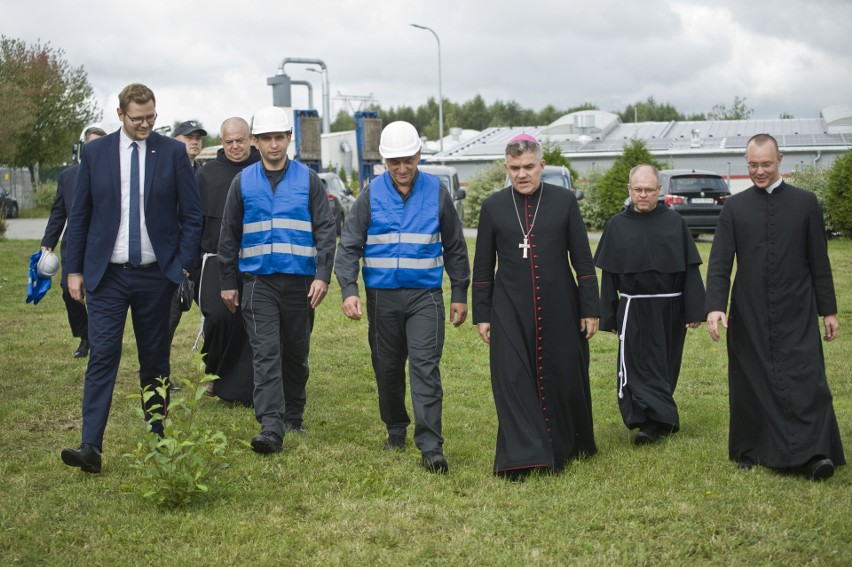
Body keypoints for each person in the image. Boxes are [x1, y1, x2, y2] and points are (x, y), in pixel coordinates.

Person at [60, 83, 202, 473]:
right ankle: (90, 446)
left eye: (151, 118)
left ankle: (159, 439)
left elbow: (192, 215)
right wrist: (74, 269)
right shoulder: (96, 153)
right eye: (138, 119)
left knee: (154, 360)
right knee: (103, 355)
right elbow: (81, 216)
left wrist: (184, 266)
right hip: (107, 276)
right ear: (120, 115)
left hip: (157, 276)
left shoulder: (172, 152)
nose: (145, 124)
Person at [706, 133, 845, 481]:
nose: (759, 171)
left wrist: (828, 310)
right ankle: (751, 448)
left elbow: (819, 261)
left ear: (780, 159)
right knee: (751, 380)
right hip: (749, 311)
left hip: (797, 308)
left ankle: (815, 454)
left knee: (806, 380)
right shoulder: (734, 208)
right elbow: (720, 262)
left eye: (766, 164)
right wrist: (715, 307)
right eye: (753, 165)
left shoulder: (806, 203)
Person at [335, 121, 470, 474]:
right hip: (382, 298)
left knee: (425, 369)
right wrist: (349, 290)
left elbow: (455, 246)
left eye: (408, 160)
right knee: (388, 369)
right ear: (384, 161)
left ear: (419, 155)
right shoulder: (370, 194)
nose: (402, 168)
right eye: (394, 162)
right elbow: (349, 245)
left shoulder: (437, 192)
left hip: (425, 297)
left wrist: (459, 292)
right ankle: (395, 428)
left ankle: (431, 447)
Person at [472, 133, 599, 479]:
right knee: (512, 377)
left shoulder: (563, 201)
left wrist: (590, 308)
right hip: (509, 309)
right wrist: (482, 315)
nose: (522, 174)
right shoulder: (493, 206)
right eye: (514, 168)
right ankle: (524, 454)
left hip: (560, 305)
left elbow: (583, 261)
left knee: (562, 376)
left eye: (528, 166)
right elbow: (483, 267)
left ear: (542, 166)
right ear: (506, 168)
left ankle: (564, 445)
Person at [218, 106, 336, 454]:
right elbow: (229, 234)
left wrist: (323, 275)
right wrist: (227, 281)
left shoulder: (309, 180)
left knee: (295, 352)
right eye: (266, 138)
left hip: (300, 283)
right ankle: (270, 427)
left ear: (289, 139)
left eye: (278, 138)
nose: (273, 145)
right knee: (265, 353)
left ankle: (294, 413)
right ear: (255, 141)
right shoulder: (243, 182)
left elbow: (326, 230)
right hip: (257, 282)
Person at [594, 164, 706, 446]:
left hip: (670, 308)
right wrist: (608, 314)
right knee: (636, 365)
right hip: (633, 308)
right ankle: (648, 421)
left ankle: (659, 419)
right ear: (629, 190)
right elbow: (609, 275)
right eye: (637, 190)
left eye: (649, 190)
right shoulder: (617, 226)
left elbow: (690, 270)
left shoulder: (675, 223)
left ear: (660, 190)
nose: (643, 195)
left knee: (664, 364)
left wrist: (694, 309)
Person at [194, 117, 261, 404]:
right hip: (215, 258)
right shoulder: (206, 175)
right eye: (229, 141)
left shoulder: (265, 168)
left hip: (256, 258)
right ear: (222, 142)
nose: (235, 146)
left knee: (252, 322)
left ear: (251, 139)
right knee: (220, 317)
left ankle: (245, 386)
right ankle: (213, 371)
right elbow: (193, 222)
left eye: (240, 140)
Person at [40, 126, 107, 359]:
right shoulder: (68, 177)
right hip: (74, 245)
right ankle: (85, 336)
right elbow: (59, 213)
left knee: (99, 293)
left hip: (102, 245)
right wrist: (48, 243)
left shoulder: (114, 176)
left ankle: (99, 339)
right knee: (70, 293)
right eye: (91, 145)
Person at [166, 120, 208, 357]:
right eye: (188, 137)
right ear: (174, 141)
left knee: (217, 316)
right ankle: (158, 378)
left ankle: (217, 372)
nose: (194, 141)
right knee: (167, 323)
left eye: (198, 138)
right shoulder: (164, 174)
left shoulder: (203, 173)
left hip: (203, 259)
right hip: (176, 261)